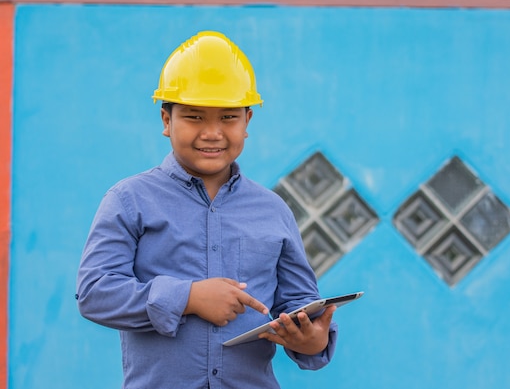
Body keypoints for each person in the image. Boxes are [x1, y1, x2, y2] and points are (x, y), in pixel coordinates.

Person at [76, 31, 337, 389]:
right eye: (195, 117)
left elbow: (299, 302)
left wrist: (313, 339)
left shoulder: (273, 211)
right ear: (166, 121)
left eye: (228, 117)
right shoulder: (129, 200)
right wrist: (188, 298)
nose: (212, 133)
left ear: (247, 122)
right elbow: (95, 293)